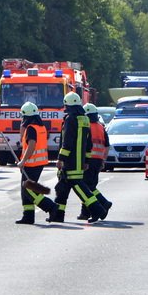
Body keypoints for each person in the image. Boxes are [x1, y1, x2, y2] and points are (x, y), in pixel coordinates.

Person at [50, 92, 106, 223]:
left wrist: (60, 158)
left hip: (70, 161)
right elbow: (89, 143)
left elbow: (67, 141)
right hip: (79, 161)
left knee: (80, 188)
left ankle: (98, 210)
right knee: (62, 188)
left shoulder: (70, 119)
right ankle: (58, 215)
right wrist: (86, 160)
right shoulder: (85, 119)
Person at [15, 102, 57, 224]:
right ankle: (28, 216)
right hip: (38, 162)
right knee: (26, 190)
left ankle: (50, 206)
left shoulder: (31, 128)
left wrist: (23, 161)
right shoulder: (41, 127)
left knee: (28, 190)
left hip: (31, 164)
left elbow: (31, 146)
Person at [78, 103, 113, 220]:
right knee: (90, 185)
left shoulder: (86, 126)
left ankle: (103, 203)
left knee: (87, 187)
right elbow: (107, 146)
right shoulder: (100, 127)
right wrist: (103, 159)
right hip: (98, 161)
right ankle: (85, 213)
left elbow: (83, 144)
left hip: (88, 160)